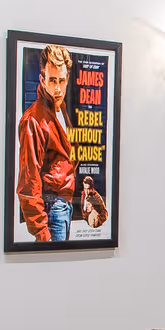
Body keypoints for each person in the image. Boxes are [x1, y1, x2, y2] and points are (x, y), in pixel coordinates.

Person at [16, 44, 108, 241]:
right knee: (53, 270)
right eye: (52, 80)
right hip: (51, 208)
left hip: (62, 206)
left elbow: (63, 160)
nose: (57, 88)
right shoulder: (33, 119)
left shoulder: (60, 110)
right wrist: (41, 231)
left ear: (67, 80)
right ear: (42, 80)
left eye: (61, 81)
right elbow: (28, 181)